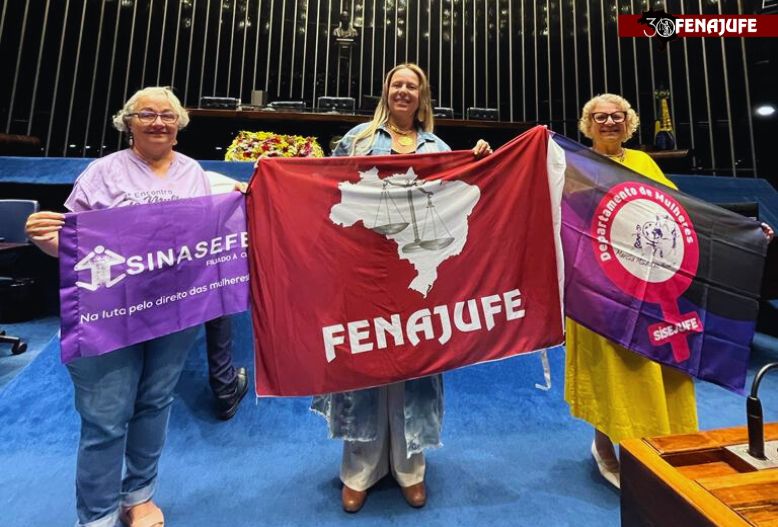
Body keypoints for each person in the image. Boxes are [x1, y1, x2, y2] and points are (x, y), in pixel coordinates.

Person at [24, 86, 242, 527]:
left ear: (179, 128)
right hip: (110, 315)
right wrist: (47, 239)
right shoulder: (102, 174)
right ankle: (98, 514)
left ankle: (139, 494)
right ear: (128, 124)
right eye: (147, 114)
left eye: (167, 115)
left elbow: (210, 232)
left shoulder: (193, 173)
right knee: (105, 417)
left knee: (156, 402)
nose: (158, 122)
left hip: (174, 310)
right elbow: (75, 244)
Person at [311, 63, 492, 513]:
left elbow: (458, 193)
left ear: (422, 96)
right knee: (365, 364)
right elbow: (320, 187)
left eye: (412, 86)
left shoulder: (439, 146)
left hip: (418, 271)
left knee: (415, 365)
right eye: (397, 84)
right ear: (386, 91)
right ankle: (359, 471)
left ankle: (411, 469)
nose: (404, 91)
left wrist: (480, 160)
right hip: (364, 270)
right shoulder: (357, 139)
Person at [565, 93, 699, 490]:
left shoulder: (643, 162)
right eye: (600, 117)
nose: (609, 122)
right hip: (599, 290)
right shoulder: (575, 164)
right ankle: (604, 445)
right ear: (588, 124)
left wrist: (743, 233)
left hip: (653, 289)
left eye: (617, 116)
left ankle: (664, 447)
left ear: (629, 122)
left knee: (658, 368)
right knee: (612, 371)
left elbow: (683, 210)